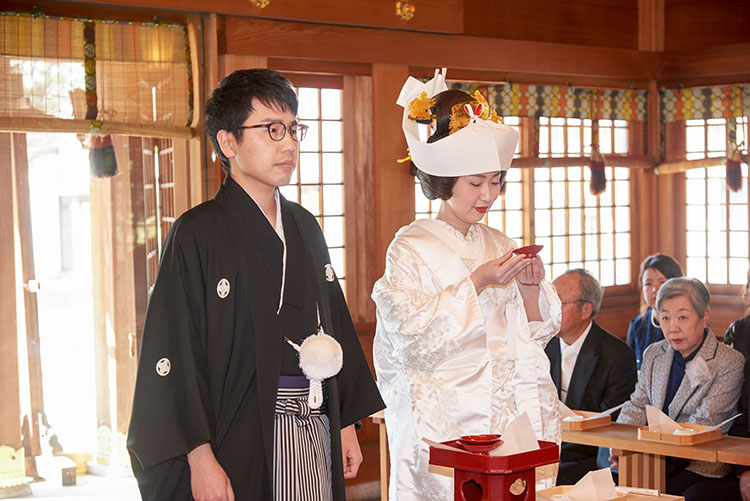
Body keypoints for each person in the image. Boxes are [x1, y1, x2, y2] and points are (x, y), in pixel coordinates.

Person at [126, 69, 384, 501]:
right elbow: (176, 351)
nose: (289, 144)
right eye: (271, 130)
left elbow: (332, 323)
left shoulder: (304, 225)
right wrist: (199, 456)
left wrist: (343, 423)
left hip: (314, 423)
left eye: (293, 129)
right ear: (228, 143)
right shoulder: (196, 234)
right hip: (235, 436)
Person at [372, 69, 562, 501]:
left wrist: (530, 289)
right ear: (443, 182)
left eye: (495, 182)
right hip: (449, 419)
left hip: (508, 412)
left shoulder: (500, 242)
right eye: (476, 184)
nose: (488, 195)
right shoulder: (410, 247)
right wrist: (476, 283)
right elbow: (407, 335)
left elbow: (532, 333)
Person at [611, 277, 745, 501]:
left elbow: (705, 422)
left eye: (682, 317)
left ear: (705, 317)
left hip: (699, 467)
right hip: (649, 459)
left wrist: (645, 450)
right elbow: (637, 404)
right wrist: (620, 445)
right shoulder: (654, 353)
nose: (673, 328)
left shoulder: (728, 361)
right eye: (665, 318)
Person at [545, 269, 636, 485]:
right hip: (545, 447)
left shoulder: (617, 355)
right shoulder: (541, 345)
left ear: (585, 309)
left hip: (588, 455)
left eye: (558, 301)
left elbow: (612, 420)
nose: (550, 309)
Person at [626, 254, 683, 369]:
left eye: (662, 282)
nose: (654, 289)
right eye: (648, 284)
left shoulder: (688, 322)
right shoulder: (637, 325)